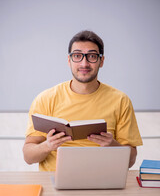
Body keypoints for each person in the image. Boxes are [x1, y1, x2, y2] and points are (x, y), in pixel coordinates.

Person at [23, 30, 143, 171]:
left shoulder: (121, 100)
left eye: (92, 56)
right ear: (69, 61)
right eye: (77, 56)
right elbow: (28, 157)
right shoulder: (45, 99)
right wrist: (47, 146)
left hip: (104, 180)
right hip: (55, 182)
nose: (84, 63)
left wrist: (112, 145)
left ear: (101, 61)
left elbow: (131, 160)